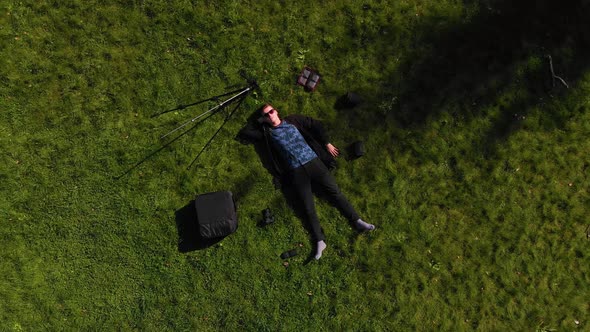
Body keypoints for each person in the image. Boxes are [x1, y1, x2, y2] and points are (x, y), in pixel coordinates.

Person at [238, 104, 375, 260]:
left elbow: (316, 124)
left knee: (335, 193)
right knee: (307, 206)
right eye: (266, 115)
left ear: (276, 111)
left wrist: (326, 143)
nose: (270, 115)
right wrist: (258, 121)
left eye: (271, 111)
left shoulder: (293, 120)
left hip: (314, 162)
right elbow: (245, 133)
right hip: (296, 172)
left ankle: (357, 221)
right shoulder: (267, 133)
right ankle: (319, 240)